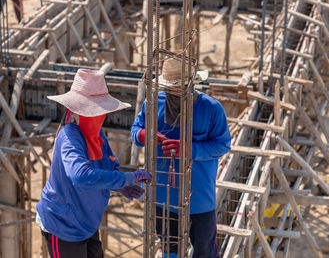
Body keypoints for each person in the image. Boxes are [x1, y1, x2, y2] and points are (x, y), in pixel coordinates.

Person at [36, 69, 152, 258]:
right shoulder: (69, 136)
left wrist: (121, 185)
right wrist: (128, 177)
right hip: (63, 225)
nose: (100, 117)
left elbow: (110, 166)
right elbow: (81, 176)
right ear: (76, 113)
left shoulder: (97, 136)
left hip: (86, 223)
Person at [131, 58, 231, 258]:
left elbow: (222, 145)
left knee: (204, 250)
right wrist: (145, 135)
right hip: (163, 193)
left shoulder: (211, 108)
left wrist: (188, 150)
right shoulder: (153, 102)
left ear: (191, 83)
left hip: (199, 196)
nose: (174, 94)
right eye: (171, 89)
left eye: (179, 88)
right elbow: (136, 129)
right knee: (169, 249)